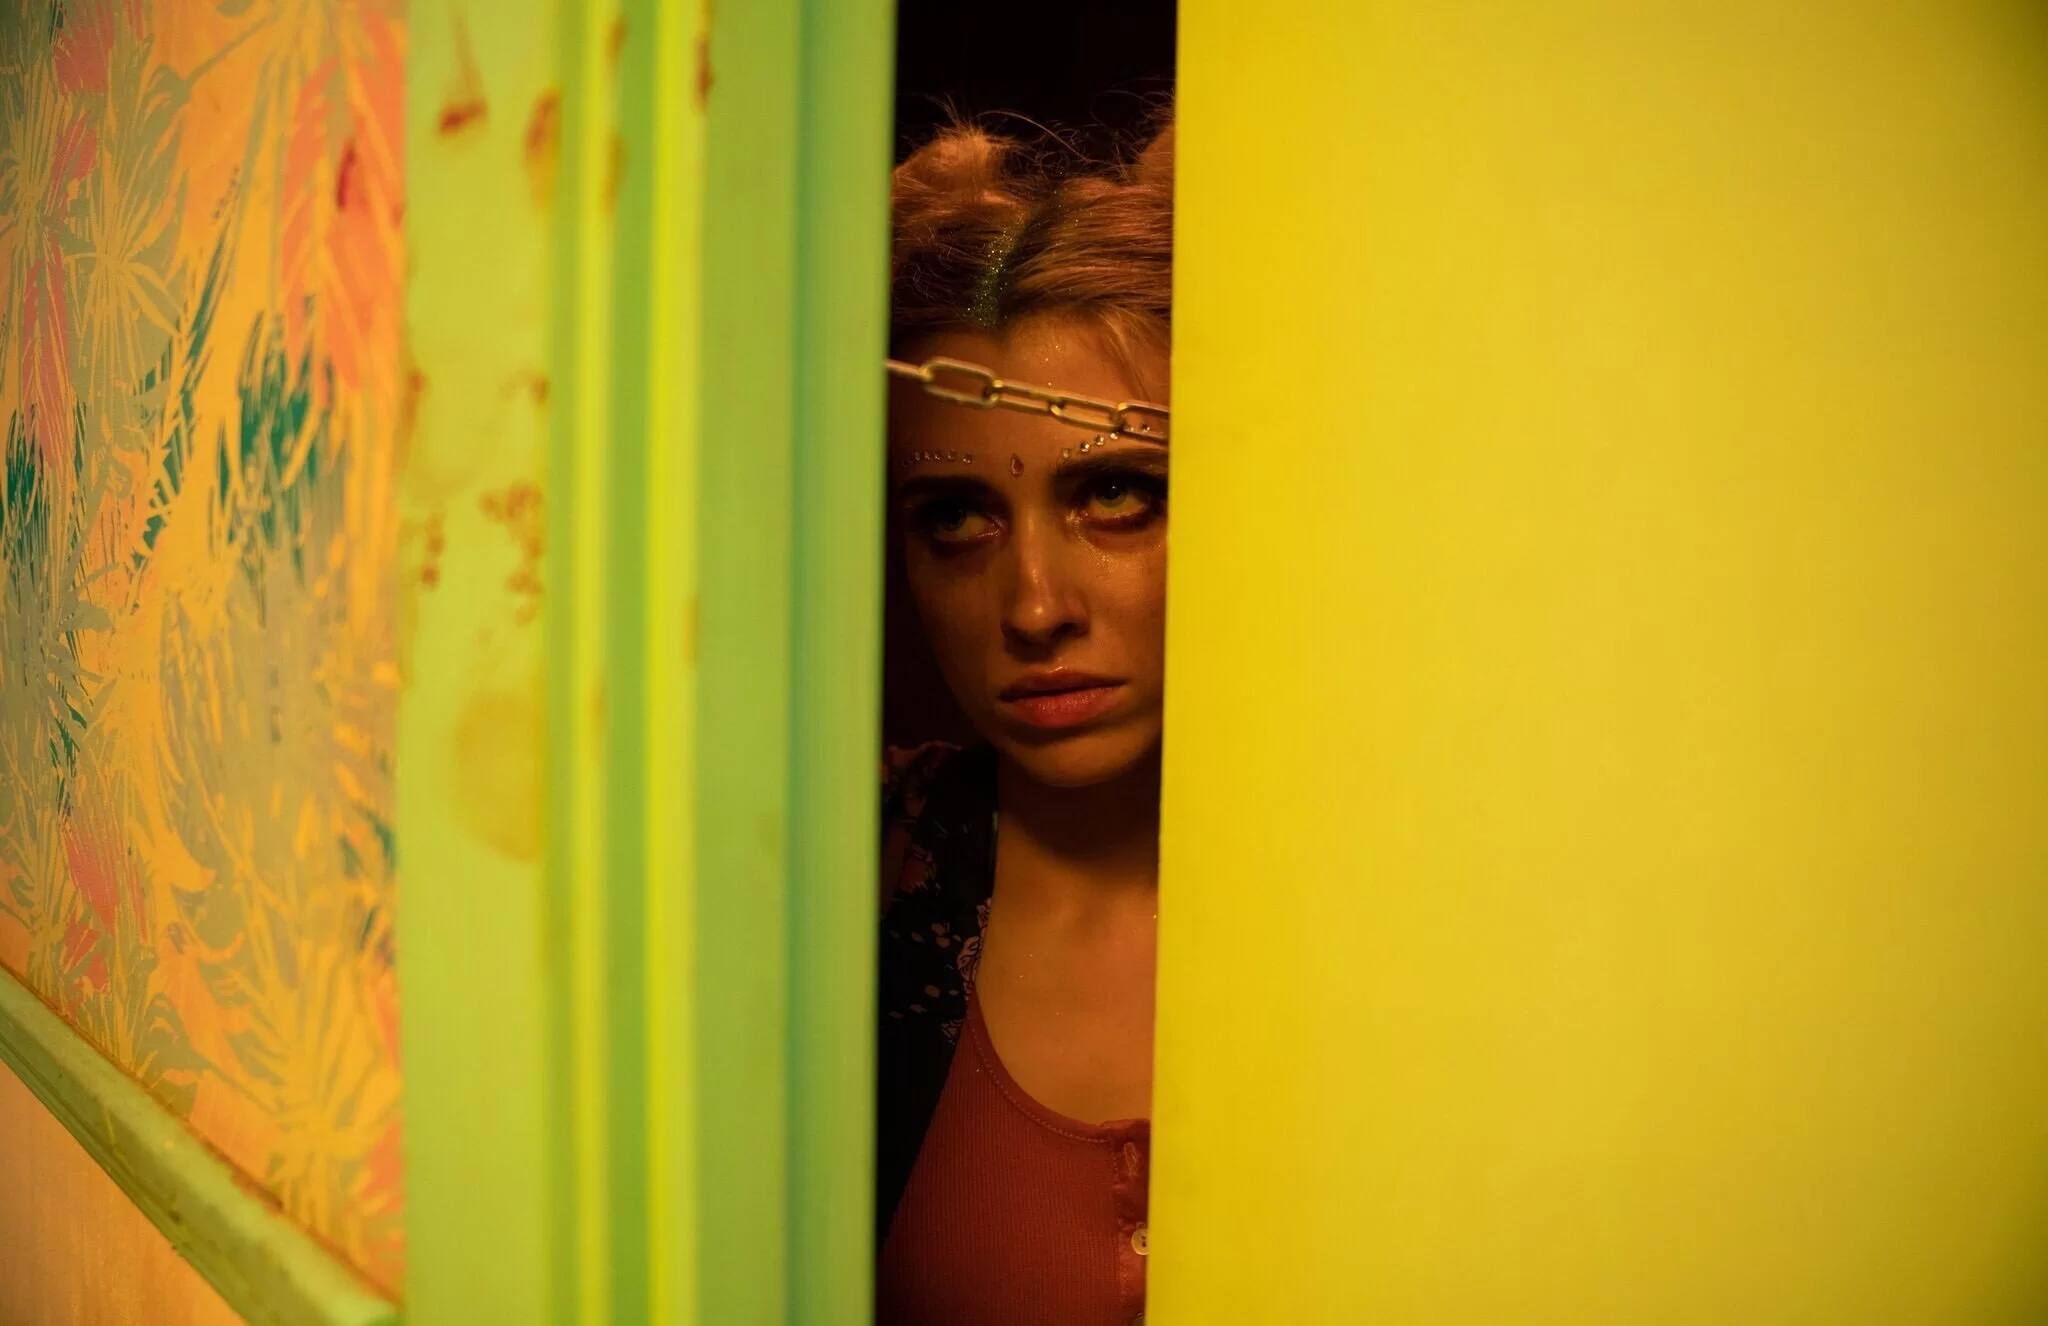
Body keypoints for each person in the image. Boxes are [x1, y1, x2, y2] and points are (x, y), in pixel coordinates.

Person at [875, 116, 1173, 1326]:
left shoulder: (1410, 887)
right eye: (956, 517)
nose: (1035, 607)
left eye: (1115, 494)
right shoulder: (833, 885)